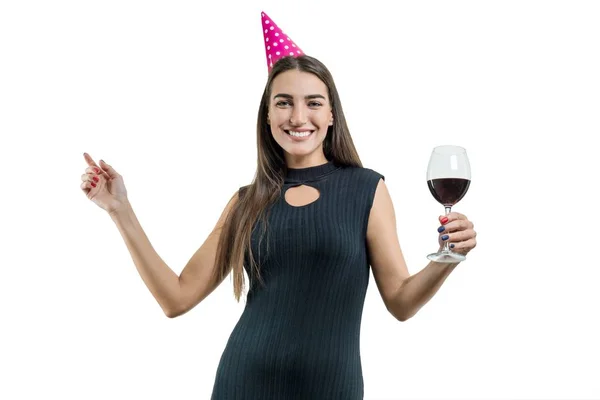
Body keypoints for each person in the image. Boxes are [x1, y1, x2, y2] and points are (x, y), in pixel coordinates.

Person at [79, 11, 477, 400]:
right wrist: (120, 210)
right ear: (267, 115)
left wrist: (446, 258)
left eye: (314, 103)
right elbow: (176, 298)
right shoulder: (245, 202)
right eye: (284, 102)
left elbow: (401, 303)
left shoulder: (366, 189)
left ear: (332, 114)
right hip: (244, 383)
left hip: (330, 390)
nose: (298, 116)